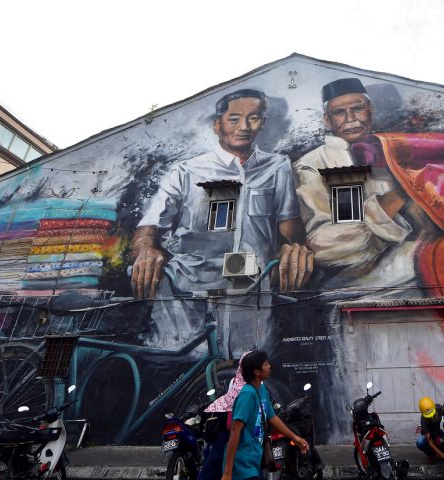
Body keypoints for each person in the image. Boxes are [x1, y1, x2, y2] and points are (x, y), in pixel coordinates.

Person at [130, 89, 314, 348]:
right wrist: (146, 249)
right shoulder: (187, 171)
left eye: (253, 118)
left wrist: (296, 249)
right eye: (234, 118)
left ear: (263, 122)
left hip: (250, 286)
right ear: (217, 125)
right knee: (186, 359)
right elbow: (150, 225)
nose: (244, 126)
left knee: (248, 358)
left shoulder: (277, 166)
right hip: (189, 288)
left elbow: (289, 227)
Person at [293, 78, 430, 288]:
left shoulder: (396, 149)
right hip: (355, 285)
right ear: (327, 120)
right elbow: (322, 245)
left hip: (417, 277)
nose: (350, 119)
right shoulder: (312, 164)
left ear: (370, 110)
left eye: (357, 109)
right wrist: (394, 200)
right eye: (339, 112)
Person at [222, 350, 308, 480]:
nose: (269, 366)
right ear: (257, 372)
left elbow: (272, 417)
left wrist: (295, 438)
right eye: (266, 364)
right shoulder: (247, 395)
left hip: (254, 460)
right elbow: (235, 431)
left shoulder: (261, 389)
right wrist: (227, 472)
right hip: (241, 463)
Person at [197, 351, 250, 480]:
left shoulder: (250, 385)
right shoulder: (247, 388)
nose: (268, 366)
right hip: (233, 432)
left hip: (239, 433)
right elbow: (233, 425)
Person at [416, 396, 444, 479]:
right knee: (420, 442)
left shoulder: (439, 408)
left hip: (438, 432)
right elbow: (430, 442)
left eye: (432, 413)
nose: (431, 417)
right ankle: (432, 455)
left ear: (434, 407)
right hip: (429, 434)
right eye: (428, 415)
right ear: (423, 413)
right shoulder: (423, 419)